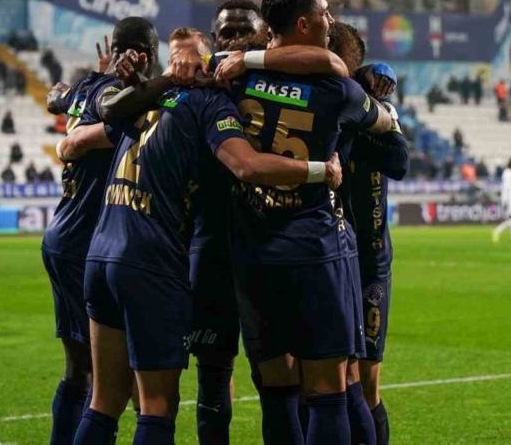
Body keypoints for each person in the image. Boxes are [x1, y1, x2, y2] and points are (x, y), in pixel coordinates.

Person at [71, 47, 346, 445]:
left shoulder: (149, 97)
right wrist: (322, 171)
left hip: (101, 251)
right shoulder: (210, 103)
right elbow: (246, 165)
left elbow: (83, 137)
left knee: (104, 401)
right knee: (158, 405)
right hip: (150, 259)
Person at [202, 0, 394, 445]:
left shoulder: (230, 77)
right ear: (305, 24)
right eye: (325, 13)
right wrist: (379, 97)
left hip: (254, 255)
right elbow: (385, 124)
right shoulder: (337, 89)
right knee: (330, 393)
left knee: (276, 394)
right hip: (317, 251)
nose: (331, 21)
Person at [42, 19, 161, 445]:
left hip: (63, 234)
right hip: (86, 241)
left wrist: (63, 105)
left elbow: (57, 96)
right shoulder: (112, 95)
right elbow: (114, 113)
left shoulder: (86, 85)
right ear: (145, 54)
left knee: (79, 369)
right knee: (115, 380)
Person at [327, 22, 409, 445]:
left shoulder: (376, 108)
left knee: (365, 383)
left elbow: (399, 163)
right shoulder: (317, 103)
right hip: (326, 253)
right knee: (325, 379)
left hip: (370, 259)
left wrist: (356, 122)